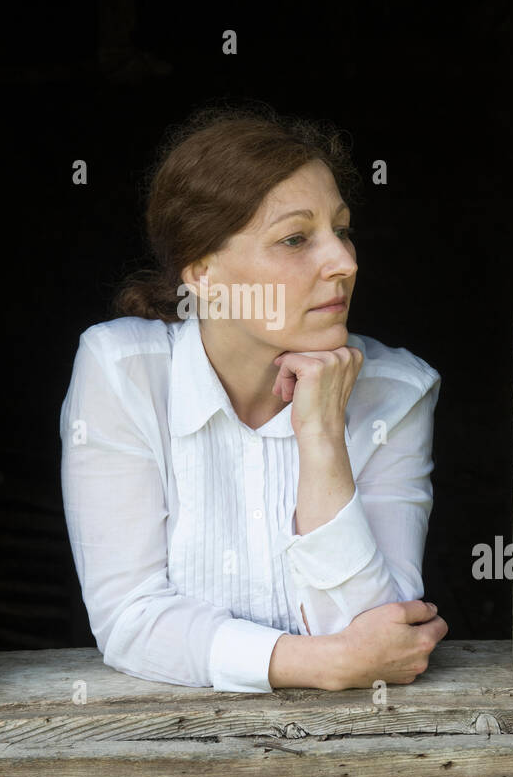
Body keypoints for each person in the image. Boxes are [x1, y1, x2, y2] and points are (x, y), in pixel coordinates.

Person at [59, 100, 448, 693]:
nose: (345, 262)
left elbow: (382, 634)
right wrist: (324, 665)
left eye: (341, 230)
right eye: (296, 239)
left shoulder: (399, 394)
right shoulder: (123, 373)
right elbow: (131, 619)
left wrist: (321, 440)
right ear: (203, 272)